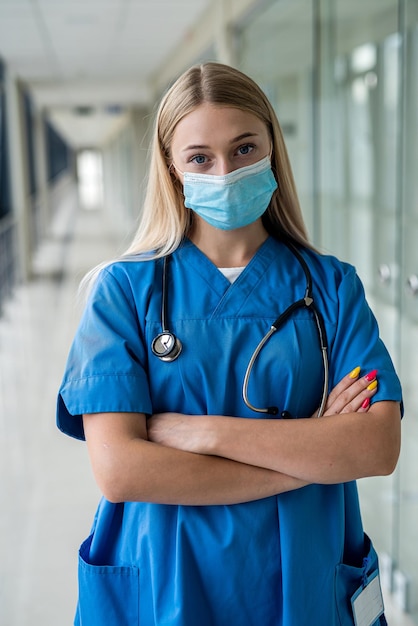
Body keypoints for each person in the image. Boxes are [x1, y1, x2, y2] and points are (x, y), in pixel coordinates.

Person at [57, 62, 402, 626]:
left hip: (305, 575)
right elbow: (121, 470)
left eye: (244, 149)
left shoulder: (332, 287)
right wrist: (309, 456)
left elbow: (375, 447)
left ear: (272, 148)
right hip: (169, 576)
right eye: (201, 158)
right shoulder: (122, 291)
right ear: (173, 167)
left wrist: (202, 432)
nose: (226, 172)